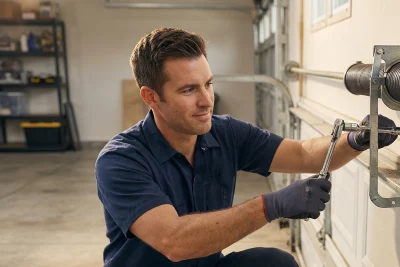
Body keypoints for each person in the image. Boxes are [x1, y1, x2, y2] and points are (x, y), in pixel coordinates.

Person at [95, 28, 397, 267]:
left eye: (208, 84)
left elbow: (303, 152)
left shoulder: (223, 132)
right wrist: (270, 206)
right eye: (188, 90)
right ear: (150, 97)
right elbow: (176, 242)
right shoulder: (121, 160)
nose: (206, 100)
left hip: (207, 265)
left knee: (275, 263)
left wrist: (356, 140)